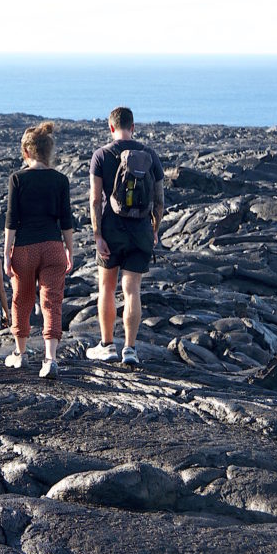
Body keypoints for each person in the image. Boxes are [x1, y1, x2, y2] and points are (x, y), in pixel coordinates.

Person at [86, 107, 165, 366]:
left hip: (111, 231)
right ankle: (130, 350)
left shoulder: (101, 155)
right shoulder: (150, 155)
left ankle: (107, 345)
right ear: (133, 127)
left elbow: (95, 199)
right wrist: (154, 229)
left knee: (107, 288)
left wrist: (97, 235)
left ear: (111, 128)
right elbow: (159, 200)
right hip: (140, 232)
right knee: (132, 290)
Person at [3, 122, 74, 379]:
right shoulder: (60, 180)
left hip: (24, 248)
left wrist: (6, 253)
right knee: (52, 302)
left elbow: (12, 220)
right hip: (53, 246)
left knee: (21, 300)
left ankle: (20, 355)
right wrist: (69, 250)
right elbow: (66, 220)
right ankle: (50, 358)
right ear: (48, 152)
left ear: (26, 152)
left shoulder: (17, 179)